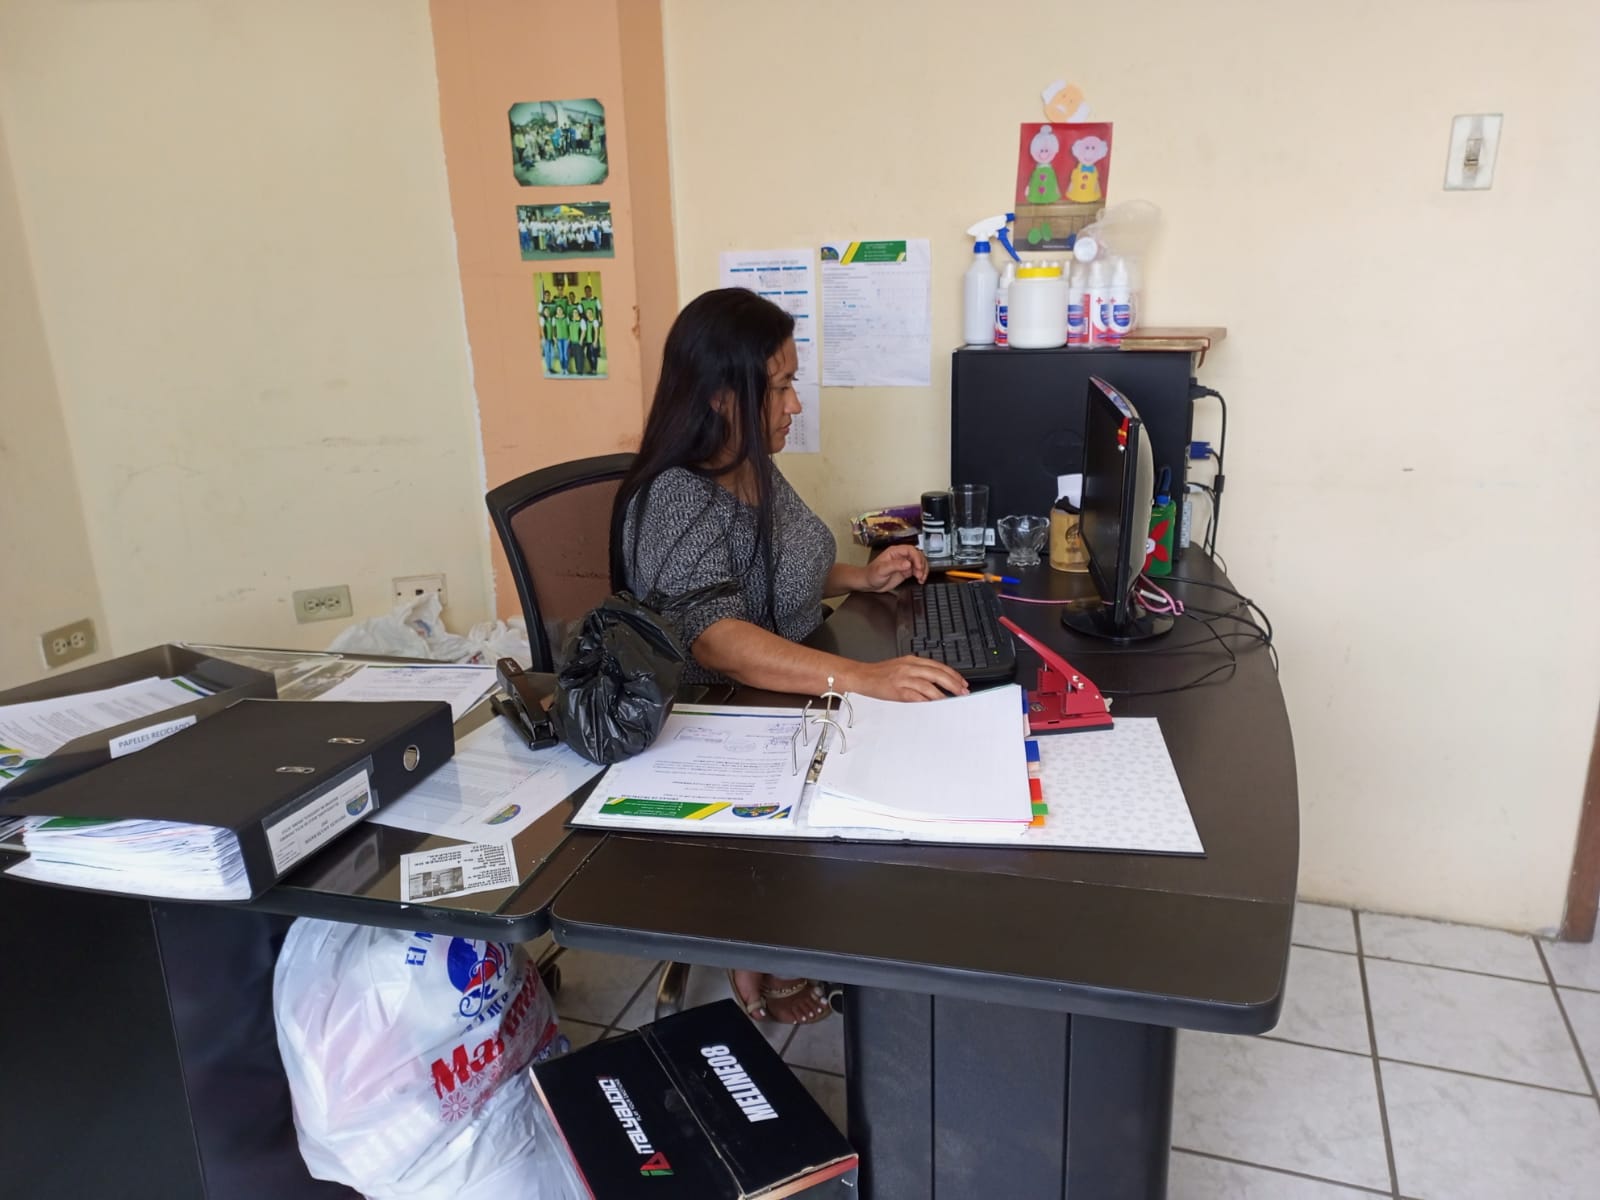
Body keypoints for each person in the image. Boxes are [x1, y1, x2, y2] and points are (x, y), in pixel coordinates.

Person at [609, 288, 967, 1024]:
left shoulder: (750, 461)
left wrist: (862, 577)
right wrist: (862, 678)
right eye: (779, 387)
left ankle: (810, 920)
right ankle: (753, 936)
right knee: (885, 735)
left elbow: (784, 566)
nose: (794, 405)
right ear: (721, 396)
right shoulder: (675, 497)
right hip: (716, 716)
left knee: (917, 754)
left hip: (783, 683)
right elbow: (717, 638)